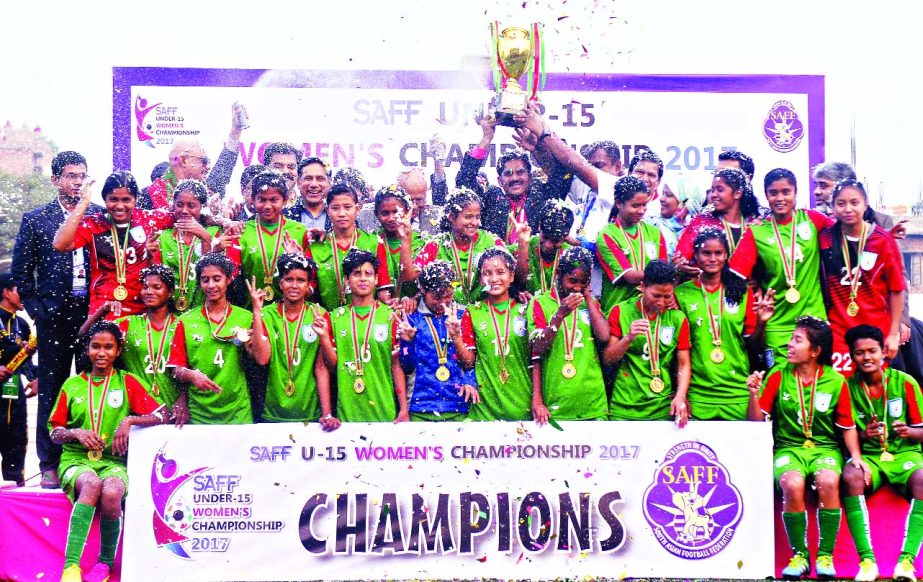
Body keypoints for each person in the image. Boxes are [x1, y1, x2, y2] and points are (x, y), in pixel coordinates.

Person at [747, 316, 867, 580]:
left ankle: (825, 555)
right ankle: (799, 555)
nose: (789, 345)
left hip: (824, 448)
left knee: (828, 479)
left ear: (815, 351)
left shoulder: (836, 382)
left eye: (797, 340)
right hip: (788, 448)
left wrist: (856, 457)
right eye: (791, 339)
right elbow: (757, 422)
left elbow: (847, 426)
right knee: (791, 482)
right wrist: (754, 394)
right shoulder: (778, 375)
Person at [49, 320, 169, 582]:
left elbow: (164, 414)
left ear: (118, 350)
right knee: (92, 484)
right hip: (76, 459)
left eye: (108, 347)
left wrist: (130, 421)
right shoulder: (72, 385)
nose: (101, 353)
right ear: (87, 349)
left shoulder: (127, 382)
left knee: (112, 491)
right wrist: (75, 433)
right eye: (95, 347)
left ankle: (105, 564)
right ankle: (71, 567)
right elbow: (54, 432)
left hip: (114, 461)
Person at [12, 151, 98, 488]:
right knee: (52, 387)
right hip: (54, 316)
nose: (77, 182)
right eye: (71, 176)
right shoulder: (37, 219)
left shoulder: (97, 215)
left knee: (93, 384)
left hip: (92, 314)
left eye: (82, 176)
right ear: (55, 180)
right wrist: (39, 311)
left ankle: (91, 455)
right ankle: (49, 462)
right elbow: (21, 273)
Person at [840, 325, 923, 582]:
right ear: (852, 356)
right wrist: (865, 435)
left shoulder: (905, 383)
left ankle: (907, 561)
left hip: (904, 454)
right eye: (859, 352)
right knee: (851, 476)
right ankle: (867, 561)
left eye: (872, 351)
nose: (867, 357)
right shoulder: (846, 387)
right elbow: (843, 433)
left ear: (883, 352)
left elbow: (922, 431)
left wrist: (908, 431)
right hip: (869, 458)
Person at [730, 169, 833, 368]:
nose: (780, 198)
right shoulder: (757, 231)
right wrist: (754, 290)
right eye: (773, 193)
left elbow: (849, 232)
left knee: (815, 386)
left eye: (786, 192)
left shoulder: (813, 220)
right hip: (777, 325)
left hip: (814, 322)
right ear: (766, 195)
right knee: (781, 388)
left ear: (796, 192)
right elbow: (733, 276)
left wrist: (884, 234)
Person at [674, 228, 773, 420]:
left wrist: (761, 323)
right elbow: (677, 350)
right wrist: (681, 393)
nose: (712, 258)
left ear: (726, 255)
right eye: (706, 253)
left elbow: (753, 347)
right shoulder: (682, 293)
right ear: (695, 255)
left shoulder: (741, 291)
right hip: (699, 394)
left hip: (736, 391)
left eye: (718, 253)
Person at [54, 170, 174, 318]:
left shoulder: (149, 219)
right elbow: (60, 244)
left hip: (143, 307)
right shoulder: (94, 224)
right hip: (105, 307)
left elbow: (185, 215)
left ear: (135, 199)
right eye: (113, 199)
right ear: (105, 199)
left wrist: (207, 222)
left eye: (126, 200)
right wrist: (83, 202)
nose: (119, 206)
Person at [820, 180, 905, 376]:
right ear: (832, 207)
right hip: (839, 330)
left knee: (873, 386)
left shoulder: (883, 241)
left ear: (865, 205)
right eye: (841, 204)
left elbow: (897, 289)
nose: (848, 209)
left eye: (854, 203)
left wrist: (893, 334)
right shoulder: (824, 238)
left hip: (876, 330)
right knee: (844, 387)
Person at [167, 253, 263, 424]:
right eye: (205, 280)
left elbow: (260, 359)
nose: (211, 285)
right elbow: (176, 368)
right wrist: (191, 375)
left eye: (217, 278)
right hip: (200, 413)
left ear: (228, 279)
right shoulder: (186, 321)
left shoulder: (246, 317)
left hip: (238, 410)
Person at [250, 253, 339, 428]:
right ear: (280, 283)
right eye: (289, 279)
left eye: (301, 280)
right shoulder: (267, 315)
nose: (294, 285)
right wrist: (256, 312)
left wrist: (327, 413)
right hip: (273, 413)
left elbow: (324, 368)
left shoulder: (319, 314)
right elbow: (262, 359)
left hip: (310, 413)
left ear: (308, 286)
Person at [455, 108, 568, 242]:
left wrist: (539, 145)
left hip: (535, 262)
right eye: (508, 174)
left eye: (520, 172)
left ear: (530, 177)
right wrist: (486, 138)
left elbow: (563, 171)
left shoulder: (543, 197)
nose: (514, 178)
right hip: (496, 261)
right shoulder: (490, 199)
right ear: (500, 180)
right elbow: (464, 181)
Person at [80, 265, 181, 412]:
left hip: (175, 406)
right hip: (139, 409)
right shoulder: (129, 324)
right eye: (145, 287)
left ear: (170, 292)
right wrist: (102, 310)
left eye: (157, 287)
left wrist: (183, 399)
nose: (149, 292)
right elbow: (85, 333)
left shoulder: (181, 324)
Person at [603, 260, 691, 425]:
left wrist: (680, 396)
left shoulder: (678, 319)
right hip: (624, 406)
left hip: (662, 406)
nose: (661, 302)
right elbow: (608, 359)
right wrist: (628, 338)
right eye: (656, 296)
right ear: (642, 287)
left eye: (667, 296)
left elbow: (684, 364)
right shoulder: (620, 311)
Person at [529, 247, 609, 422]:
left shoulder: (589, 303)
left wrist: (588, 298)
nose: (577, 287)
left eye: (584, 282)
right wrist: (560, 315)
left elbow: (604, 336)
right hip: (557, 404)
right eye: (572, 281)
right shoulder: (540, 303)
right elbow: (538, 348)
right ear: (558, 274)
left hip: (593, 404)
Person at [328, 249, 409, 422]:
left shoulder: (391, 316)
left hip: (384, 410)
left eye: (368, 273)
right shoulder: (334, 318)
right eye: (357, 273)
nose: (363, 278)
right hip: (347, 414)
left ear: (377, 279)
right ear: (346, 280)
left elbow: (396, 365)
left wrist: (403, 408)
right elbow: (328, 366)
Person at [397, 260, 478, 421]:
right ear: (422, 290)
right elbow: (407, 366)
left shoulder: (463, 315)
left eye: (448, 296)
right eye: (436, 297)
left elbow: (471, 361)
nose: (443, 303)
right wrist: (407, 343)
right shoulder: (411, 318)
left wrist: (469, 380)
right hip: (420, 407)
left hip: (457, 404)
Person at [463, 248, 533, 421]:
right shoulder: (472, 313)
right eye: (487, 273)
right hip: (484, 409)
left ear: (511, 276)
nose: (493, 279)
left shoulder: (526, 309)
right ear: (480, 279)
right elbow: (468, 361)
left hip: (522, 402)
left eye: (500, 272)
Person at [410, 188, 509, 304]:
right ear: (452, 217)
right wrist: (406, 236)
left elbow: (512, 273)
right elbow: (411, 276)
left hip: (485, 311)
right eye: (468, 217)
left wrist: (523, 244)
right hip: (448, 312)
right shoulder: (436, 245)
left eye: (477, 217)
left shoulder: (491, 241)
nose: (475, 222)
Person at [144, 104, 250, 210]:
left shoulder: (205, 193)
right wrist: (207, 217)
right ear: (183, 160)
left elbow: (220, 175)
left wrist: (235, 132)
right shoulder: (148, 197)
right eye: (203, 161)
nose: (208, 166)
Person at [227, 171, 309, 306]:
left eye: (274, 200)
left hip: (290, 312)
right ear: (253, 200)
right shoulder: (241, 231)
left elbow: (309, 278)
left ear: (285, 200)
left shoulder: (300, 231)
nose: (267, 206)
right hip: (251, 310)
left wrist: (297, 259)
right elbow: (231, 274)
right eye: (262, 199)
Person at [306, 183, 392, 311]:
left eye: (347, 207)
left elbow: (383, 289)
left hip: (366, 320)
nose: (341, 213)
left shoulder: (374, 243)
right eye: (335, 208)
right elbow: (307, 293)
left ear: (357, 209)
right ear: (327, 210)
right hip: (328, 321)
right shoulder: (316, 247)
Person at [596, 176, 669, 313]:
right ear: (619, 203)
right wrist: (668, 270)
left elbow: (664, 277)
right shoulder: (607, 235)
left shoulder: (655, 233)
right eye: (635, 206)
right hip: (617, 312)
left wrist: (671, 271)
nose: (641, 211)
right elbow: (629, 277)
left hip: (649, 310)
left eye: (644, 205)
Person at [149, 179, 219, 312]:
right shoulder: (162, 237)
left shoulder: (213, 233)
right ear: (173, 204)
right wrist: (150, 256)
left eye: (191, 206)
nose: (184, 210)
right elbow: (155, 279)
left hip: (204, 311)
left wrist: (205, 239)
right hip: (168, 312)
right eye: (179, 205)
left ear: (202, 207)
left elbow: (213, 274)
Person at [675, 168, 763, 265]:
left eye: (720, 190)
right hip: (706, 280)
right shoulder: (701, 221)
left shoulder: (752, 225)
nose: (713, 194)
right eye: (713, 190)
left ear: (737, 193)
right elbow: (681, 257)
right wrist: (681, 266)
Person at [0, 273, 38, 487]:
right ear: (6, 292)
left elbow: (25, 360)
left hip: (13, 390)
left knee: (16, 437)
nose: (24, 295)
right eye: (19, 290)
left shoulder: (22, 324)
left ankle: (14, 487)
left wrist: (35, 378)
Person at [520, 200, 573, 297]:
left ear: (566, 235)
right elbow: (517, 282)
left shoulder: (571, 256)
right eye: (545, 237)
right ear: (539, 227)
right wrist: (523, 246)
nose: (548, 245)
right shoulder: (525, 244)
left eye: (555, 241)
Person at [285, 157, 332, 236]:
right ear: (299, 182)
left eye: (320, 179)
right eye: (308, 178)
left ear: (329, 182)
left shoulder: (340, 215)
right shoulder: (284, 215)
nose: (314, 184)